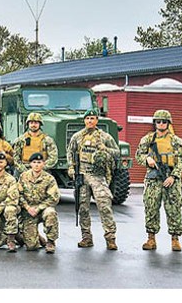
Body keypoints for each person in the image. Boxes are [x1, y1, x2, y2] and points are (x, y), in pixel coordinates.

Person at [67, 108, 120, 250]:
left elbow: (117, 153)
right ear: (84, 121)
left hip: (98, 175)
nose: (90, 121)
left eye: (92, 118)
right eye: (87, 119)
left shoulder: (105, 137)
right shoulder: (77, 137)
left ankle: (110, 238)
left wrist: (105, 149)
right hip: (82, 175)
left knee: (104, 206)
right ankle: (86, 237)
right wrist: (71, 169)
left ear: (97, 120)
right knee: (83, 207)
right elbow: (70, 153)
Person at [135, 110, 182, 252]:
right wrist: (147, 159)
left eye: (164, 122)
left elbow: (181, 161)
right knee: (151, 208)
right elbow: (138, 155)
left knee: (174, 209)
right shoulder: (148, 139)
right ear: (155, 123)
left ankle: (175, 239)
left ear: (168, 123)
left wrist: (173, 176)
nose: (161, 124)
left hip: (170, 179)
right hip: (153, 179)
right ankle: (151, 238)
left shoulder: (176, 141)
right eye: (158, 121)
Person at [18, 152, 59, 254]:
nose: (36, 165)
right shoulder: (23, 177)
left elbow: (54, 198)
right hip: (29, 211)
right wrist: (27, 207)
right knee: (31, 246)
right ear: (30, 164)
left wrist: (39, 208)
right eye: (34, 162)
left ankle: (50, 242)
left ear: (43, 164)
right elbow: (19, 195)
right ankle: (38, 238)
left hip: (43, 209)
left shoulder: (49, 179)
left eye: (39, 162)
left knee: (51, 213)